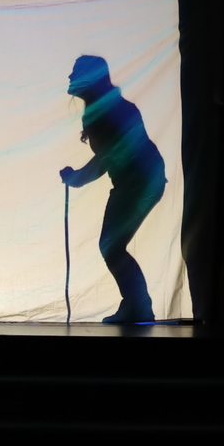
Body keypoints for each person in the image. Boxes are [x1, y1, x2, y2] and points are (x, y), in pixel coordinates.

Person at [60, 55, 166, 323]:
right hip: (140, 181)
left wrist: (77, 178)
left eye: (75, 73)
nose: (70, 78)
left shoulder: (110, 111)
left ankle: (138, 306)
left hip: (139, 182)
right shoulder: (105, 109)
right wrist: (77, 177)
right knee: (112, 245)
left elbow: (107, 158)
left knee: (111, 245)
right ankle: (136, 305)